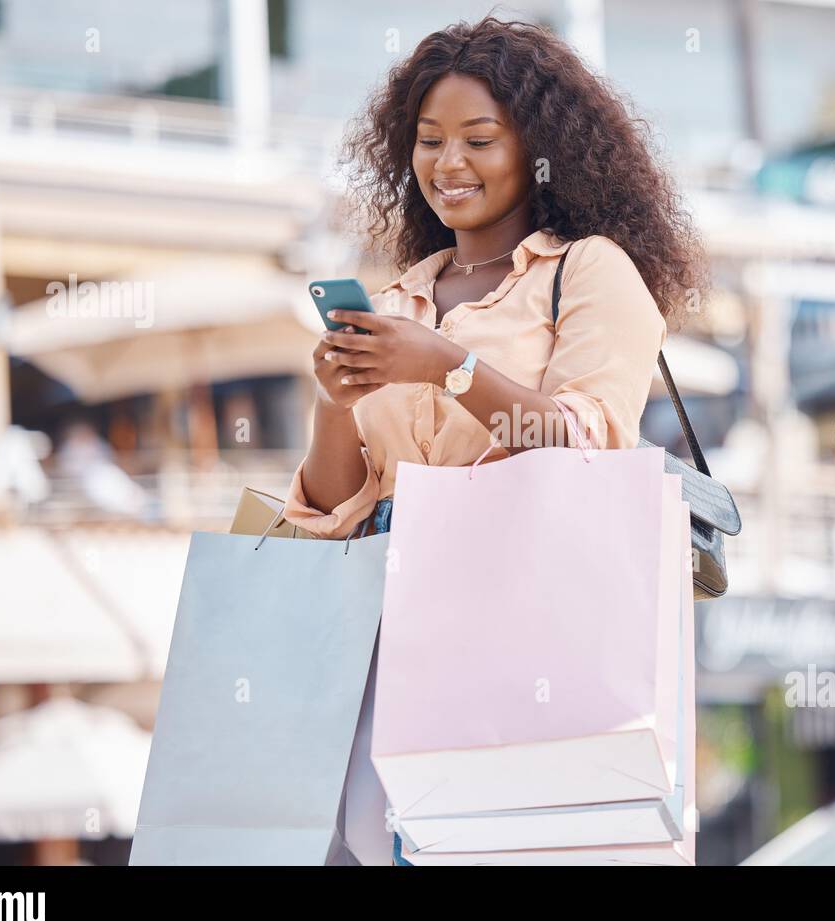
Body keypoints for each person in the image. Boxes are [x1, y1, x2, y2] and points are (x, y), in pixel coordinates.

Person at [282, 15, 708, 865]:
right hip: (387, 636)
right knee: (371, 837)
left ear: (541, 147)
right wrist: (335, 401)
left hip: (523, 620)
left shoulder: (588, 272)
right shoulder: (397, 300)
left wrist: (449, 365)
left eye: (480, 139)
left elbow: (582, 443)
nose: (449, 164)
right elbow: (330, 514)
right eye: (429, 140)